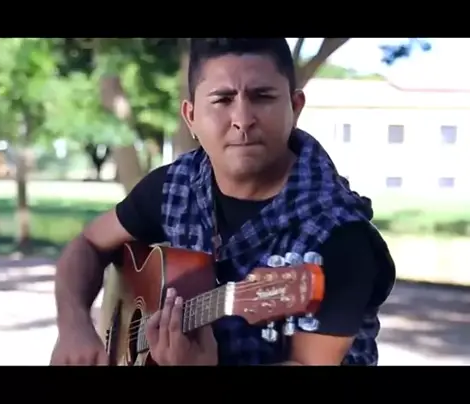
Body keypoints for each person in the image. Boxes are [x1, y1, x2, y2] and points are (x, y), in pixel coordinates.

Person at [50, 38, 396, 366]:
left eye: (262, 96)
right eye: (222, 99)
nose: (242, 120)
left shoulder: (339, 235)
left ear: (294, 107)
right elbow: (89, 243)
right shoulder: (176, 185)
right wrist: (74, 325)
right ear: (191, 117)